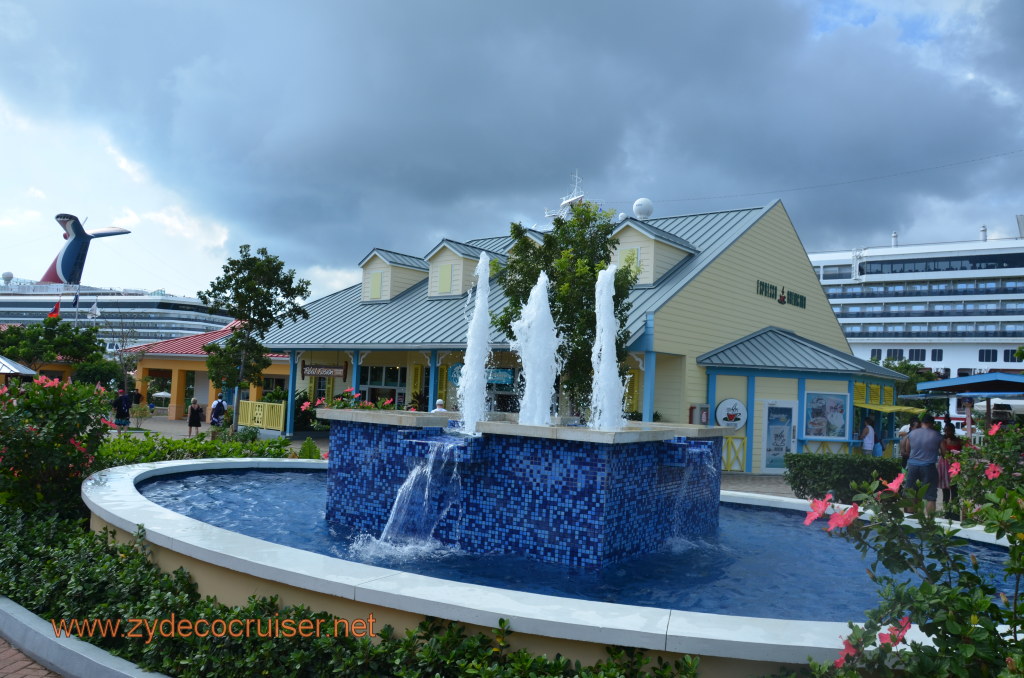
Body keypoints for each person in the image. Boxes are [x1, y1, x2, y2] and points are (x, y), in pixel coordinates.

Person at [905, 414, 943, 515]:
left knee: (911, 493)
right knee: (930, 495)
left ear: (922, 423)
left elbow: (907, 450)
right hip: (928, 466)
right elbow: (944, 452)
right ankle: (930, 521)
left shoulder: (912, 433)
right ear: (932, 423)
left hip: (912, 466)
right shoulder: (937, 435)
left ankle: (910, 520)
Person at [938, 421, 962, 516]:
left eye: (949, 430)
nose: (947, 432)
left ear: (953, 430)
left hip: (955, 465)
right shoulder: (942, 440)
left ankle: (955, 512)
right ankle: (947, 511)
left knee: (954, 489)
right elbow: (942, 454)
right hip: (944, 465)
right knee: (945, 490)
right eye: (946, 431)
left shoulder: (958, 440)